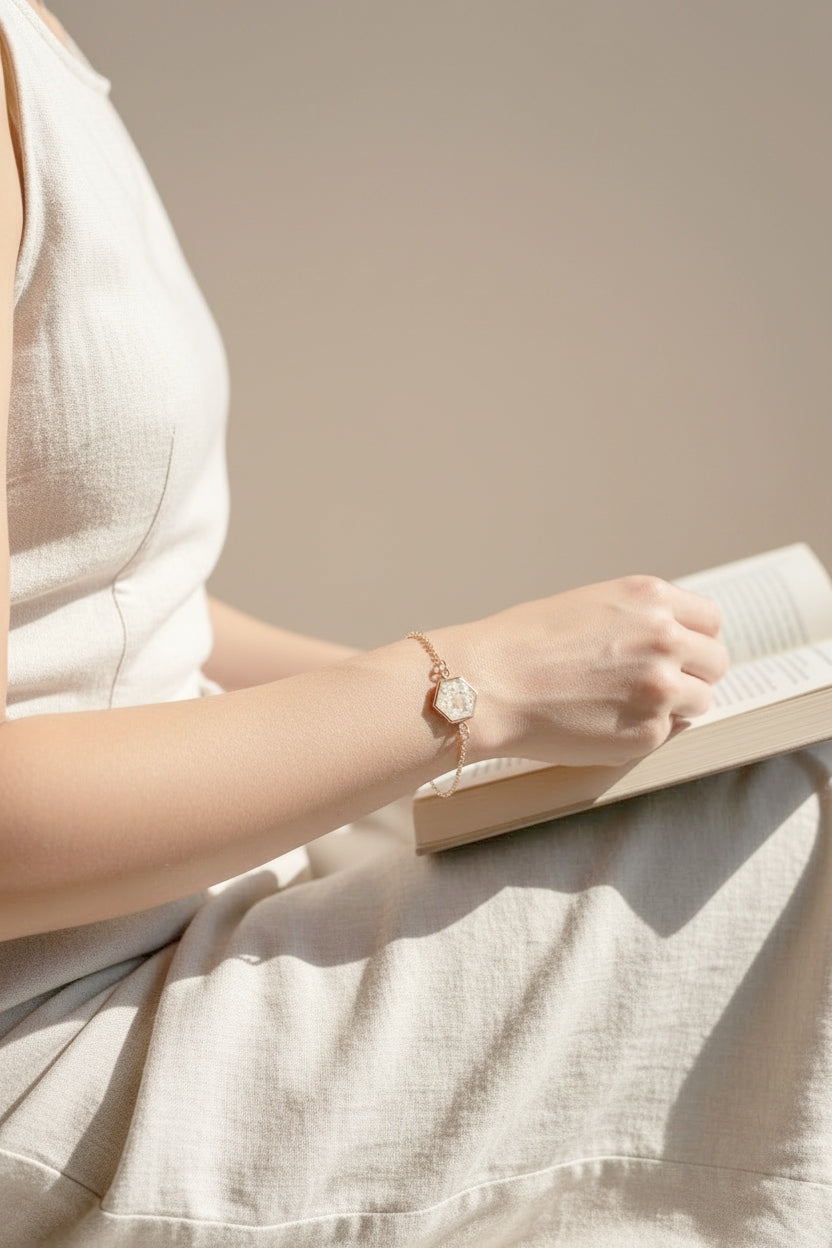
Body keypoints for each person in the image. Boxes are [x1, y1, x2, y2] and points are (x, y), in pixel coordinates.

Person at [0, 2, 830, 1244]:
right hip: (70, 1055)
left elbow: (110, 597)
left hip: (202, 901)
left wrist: (492, 729)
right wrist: (464, 686)